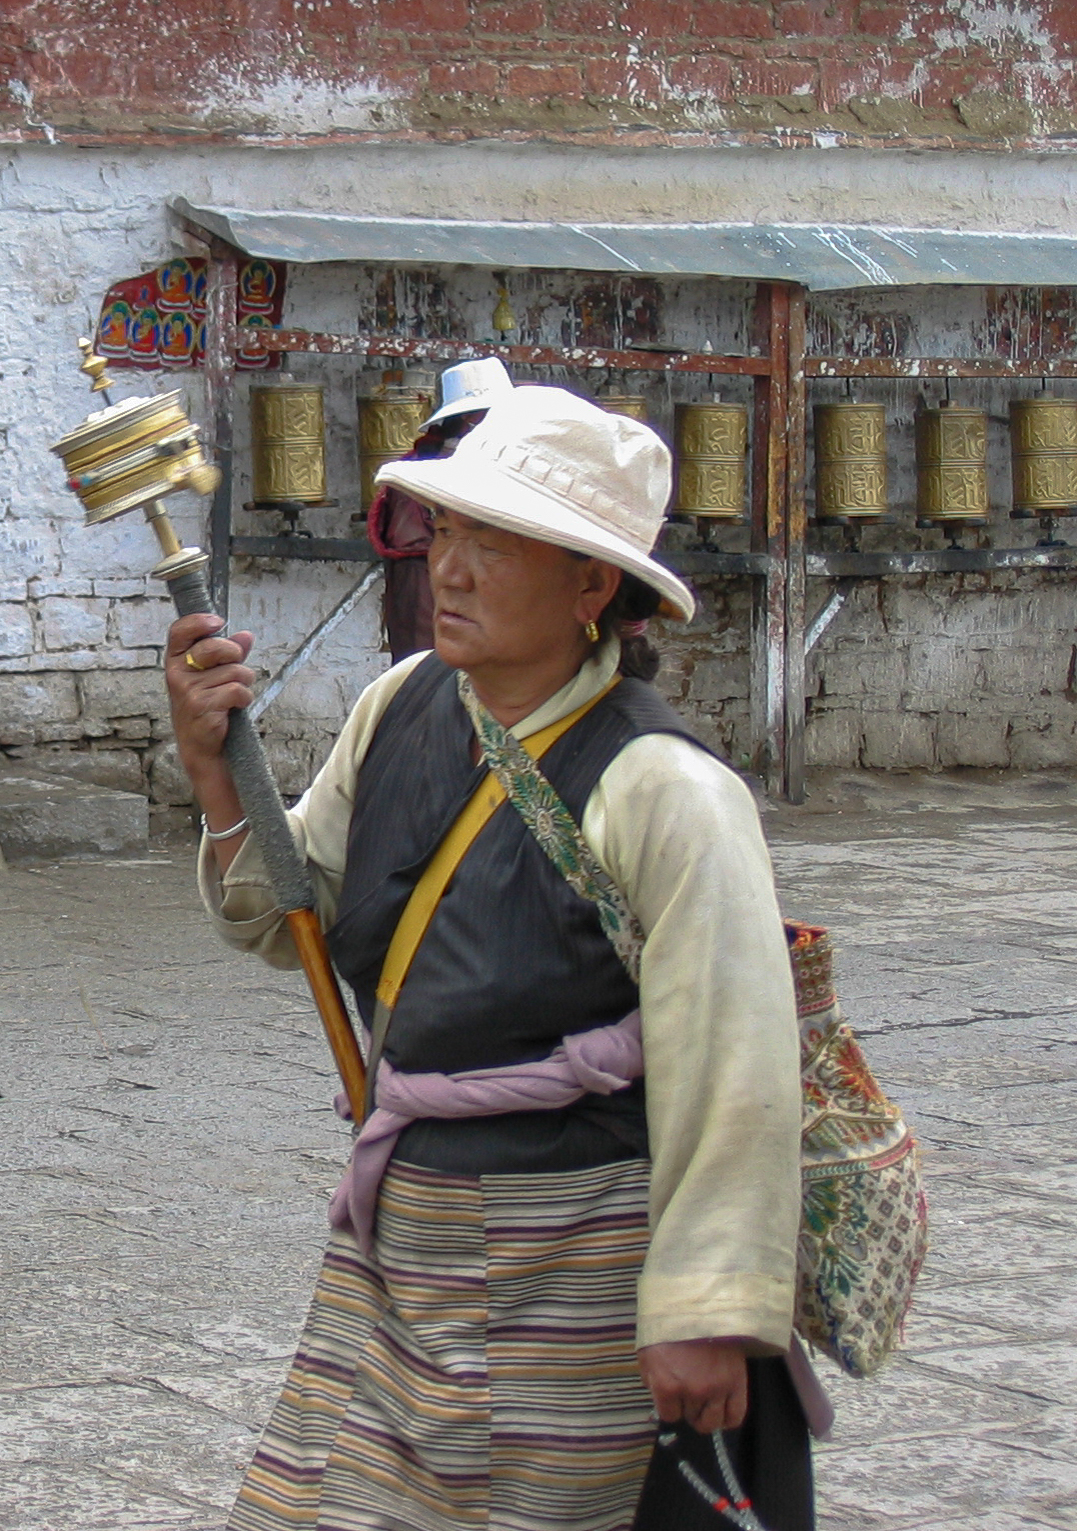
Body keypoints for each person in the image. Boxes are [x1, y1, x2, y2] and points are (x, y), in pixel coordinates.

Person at [165, 386, 811, 1531]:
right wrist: (217, 769)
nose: (448, 573)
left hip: (571, 1257)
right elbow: (291, 915)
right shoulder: (402, 703)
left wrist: (704, 1306)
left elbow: (739, 1061)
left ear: (590, 586)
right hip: (403, 1229)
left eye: (493, 545)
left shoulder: (668, 789)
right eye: (445, 535)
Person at [367, 356, 514, 662]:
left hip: (458, 592)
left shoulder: (478, 463)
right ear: (470, 419)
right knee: (428, 678)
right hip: (425, 592)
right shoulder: (426, 470)